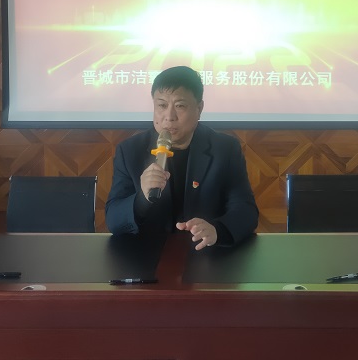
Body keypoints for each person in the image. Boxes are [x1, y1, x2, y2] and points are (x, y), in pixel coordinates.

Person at [105, 66, 259, 249]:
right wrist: (142, 198)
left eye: (180, 106)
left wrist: (217, 230)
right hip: (146, 254)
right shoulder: (130, 150)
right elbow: (114, 220)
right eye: (162, 105)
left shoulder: (225, 149)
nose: (169, 117)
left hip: (206, 254)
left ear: (199, 108)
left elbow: (246, 211)